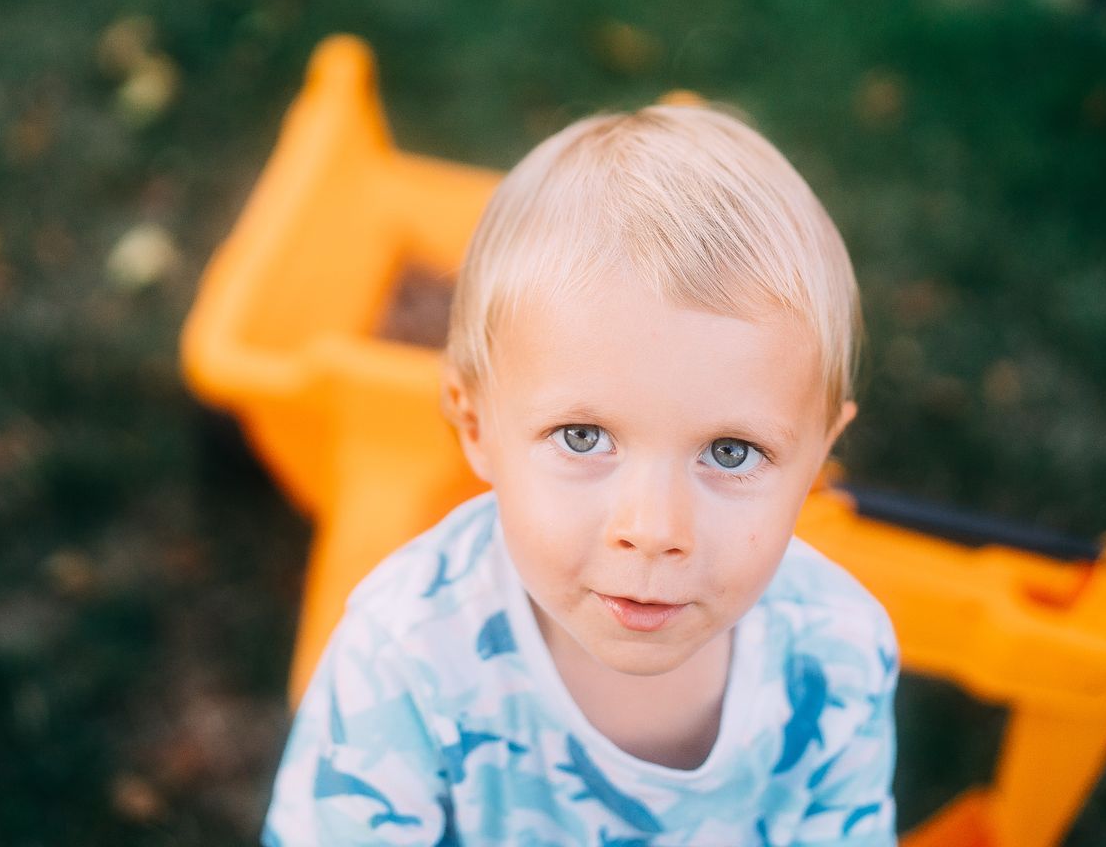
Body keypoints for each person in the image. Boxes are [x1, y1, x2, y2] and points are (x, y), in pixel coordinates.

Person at [261, 101, 898, 845]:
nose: (654, 531)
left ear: (818, 458)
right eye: (583, 436)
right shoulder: (406, 657)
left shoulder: (838, 656)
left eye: (730, 452)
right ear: (474, 426)